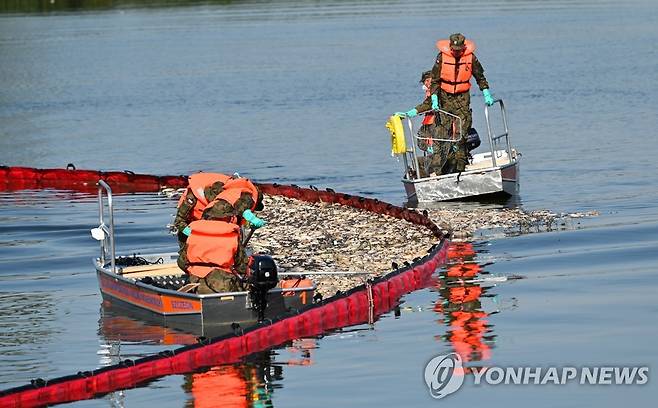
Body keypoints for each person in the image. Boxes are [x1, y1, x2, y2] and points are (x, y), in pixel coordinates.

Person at [399, 33, 495, 174]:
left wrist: (486, 92)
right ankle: (439, 172)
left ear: (463, 47)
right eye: (454, 49)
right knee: (442, 135)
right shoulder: (442, 58)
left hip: (462, 98)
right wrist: (434, 99)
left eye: (459, 49)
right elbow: (436, 80)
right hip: (445, 97)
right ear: (450, 47)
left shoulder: (471, 58)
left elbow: (480, 77)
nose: (456, 52)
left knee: (462, 134)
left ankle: (460, 170)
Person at [176, 173, 267, 294]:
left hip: (196, 278)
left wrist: (196, 237)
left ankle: (197, 283)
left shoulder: (224, 197)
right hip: (221, 285)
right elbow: (179, 221)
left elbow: (182, 263)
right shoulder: (193, 197)